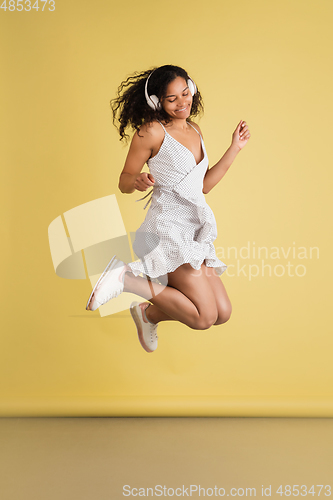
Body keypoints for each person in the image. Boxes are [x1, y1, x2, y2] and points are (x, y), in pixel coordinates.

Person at [86, 64, 251, 353]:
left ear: (192, 91)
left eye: (185, 94)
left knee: (222, 313)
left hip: (193, 228)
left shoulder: (195, 129)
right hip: (167, 229)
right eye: (172, 98)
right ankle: (124, 278)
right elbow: (124, 181)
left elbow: (204, 186)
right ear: (156, 102)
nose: (182, 103)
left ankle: (147, 314)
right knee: (203, 317)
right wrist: (135, 181)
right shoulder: (150, 132)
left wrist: (234, 148)